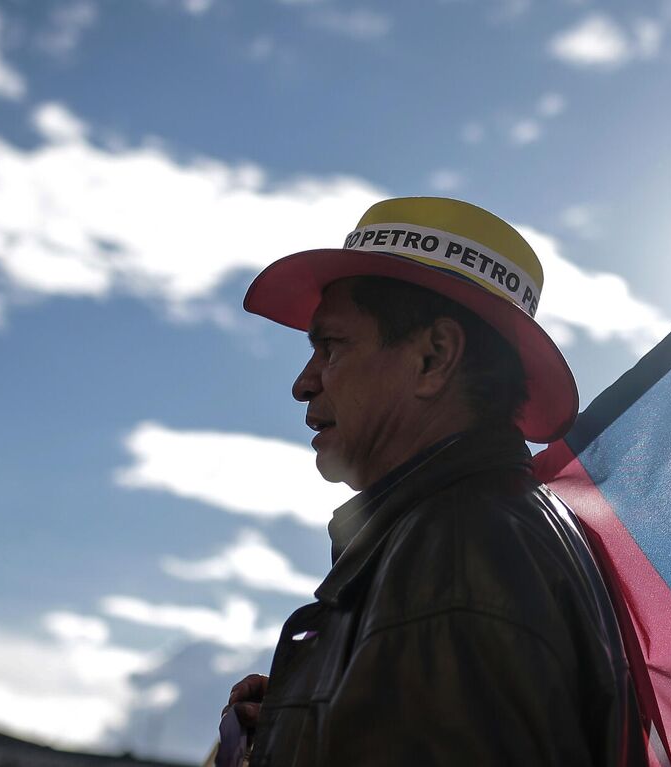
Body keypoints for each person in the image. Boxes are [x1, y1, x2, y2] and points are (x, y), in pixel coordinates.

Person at [222, 197, 644, 766]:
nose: (303, 383)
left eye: (331, 346)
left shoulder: (458, 554)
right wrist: (305, 719)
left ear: (433, 357)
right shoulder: (485, 534)